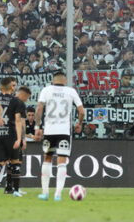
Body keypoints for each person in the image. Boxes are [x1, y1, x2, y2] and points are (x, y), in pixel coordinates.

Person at [35, 71, 84, 201]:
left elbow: (39, 108)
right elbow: (81, 111)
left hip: (49, 131)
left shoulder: (46, 90)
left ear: (53, 81)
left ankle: (45, 193)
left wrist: (37, 127)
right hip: (64, 131)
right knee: (61, 162)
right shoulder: (71, 91)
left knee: (47, 159)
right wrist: (79, 123)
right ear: (65, 81)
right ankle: (58, 195)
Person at [1, 86, 30, 197]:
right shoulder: (20, 103)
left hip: (5, 134)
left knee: (10, 161)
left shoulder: (9, 101)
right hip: (15, 135)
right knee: (17, 162)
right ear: (24, 95)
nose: (26, 100)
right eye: (27, 98)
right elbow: (21, 122)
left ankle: (9, 187)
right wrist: (23, 138)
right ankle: (15, 188)